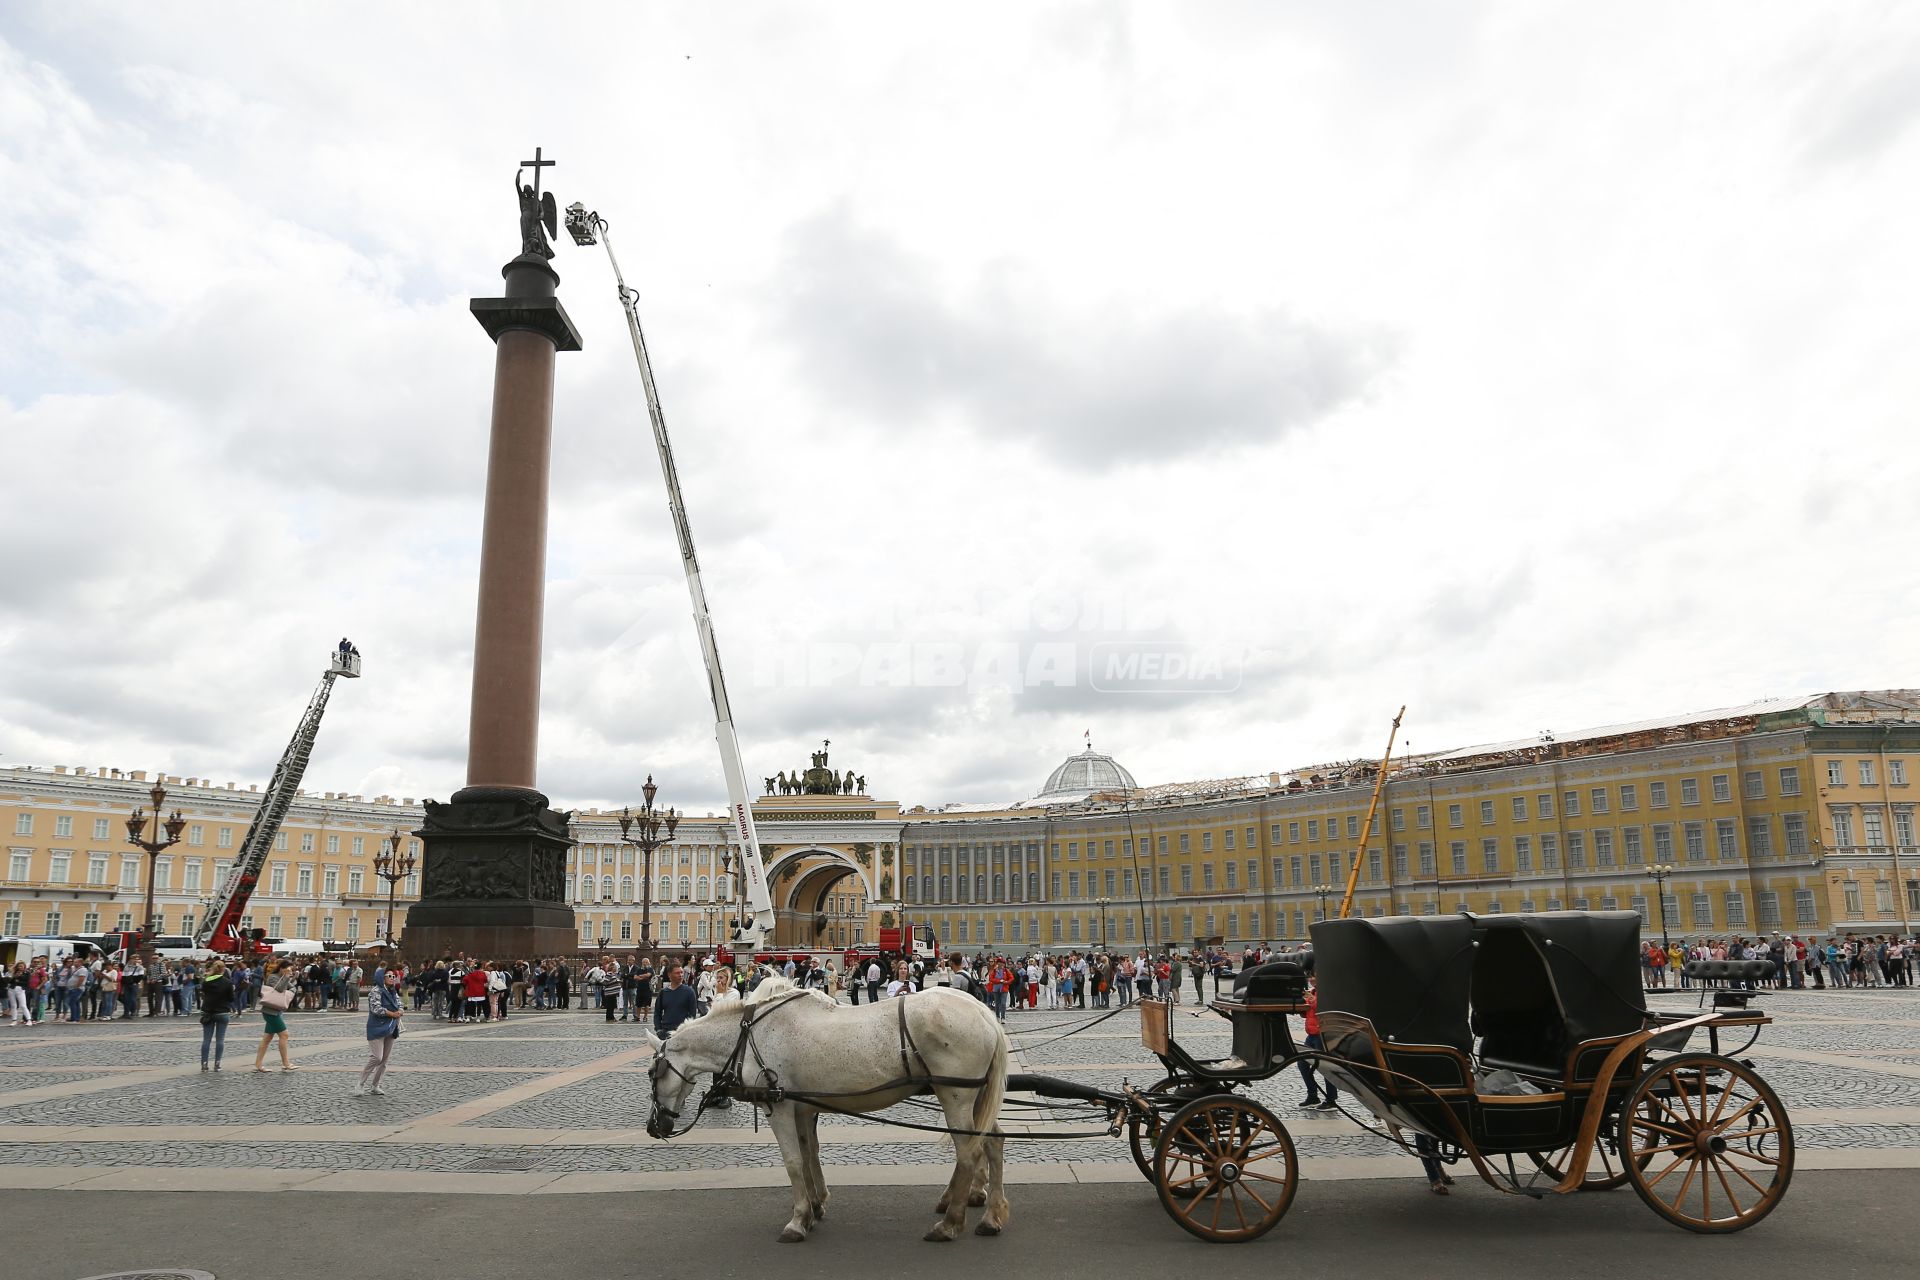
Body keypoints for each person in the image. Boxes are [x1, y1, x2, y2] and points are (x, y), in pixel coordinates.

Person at [1294, 972, 1339, 1112]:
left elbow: (1319, 1006)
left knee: (1325, 1067)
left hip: (1322, 1034)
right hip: (1312, 1034)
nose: (1311, 980)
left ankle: (1331, 1099)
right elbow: (1309, 1011)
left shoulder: (1327, 991)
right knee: (1302, 1063)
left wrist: (1308, 998)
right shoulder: (1313, 991)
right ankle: (1313, 1096)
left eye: (1314, 977)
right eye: (1309, 977)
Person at [357, 968, 404, 1096]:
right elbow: (375, 1008)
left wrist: (400, 1011)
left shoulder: (393, 991)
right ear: (382, 977)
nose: (392, 977)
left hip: (391, 1027)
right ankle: (360, 1084)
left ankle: (375, 1085)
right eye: (389, 975)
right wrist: (392, 1014)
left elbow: (400, 1004)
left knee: (384, 1060)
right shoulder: (375, 991)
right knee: (376, 1057)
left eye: (394, 976)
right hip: (376, 1027)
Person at [252, 959, 299, 1072]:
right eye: (288, 969)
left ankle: (258, 1064)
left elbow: (292, 987)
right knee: (284, 1035)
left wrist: (292, 979)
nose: (289, 971)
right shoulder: (273, 977)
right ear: (282, 968)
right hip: (270, 1011)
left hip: (275, 1011)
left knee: (267, 1038)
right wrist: (287, 977)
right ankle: (286, 1063)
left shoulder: (283, 977)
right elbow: (279, 989)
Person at [199, 960, 235, 1071]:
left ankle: (204, 1064)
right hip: (223, 1012)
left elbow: (203, 994)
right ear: (223, 969)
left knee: (206, 1040)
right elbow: (231, 999)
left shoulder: (206, 981)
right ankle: (217, 1064)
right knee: (220, 1040)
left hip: (208, 1012)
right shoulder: (227, 982)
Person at [654, 964, 698, 1039]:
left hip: (682, 1032)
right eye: (677, 973)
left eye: (681, 973)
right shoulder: (663, 992)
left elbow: (692, 1014)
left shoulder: (689, 992)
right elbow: (657, 1013)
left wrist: (687, 1029)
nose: (680, 975)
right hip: (666, 1031)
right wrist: (658, 1029)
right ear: (669, 975)